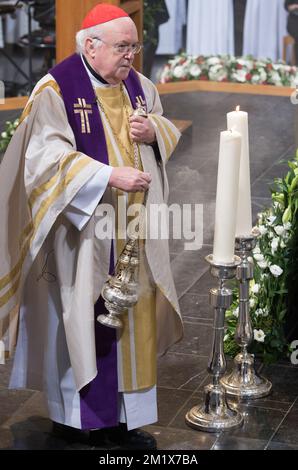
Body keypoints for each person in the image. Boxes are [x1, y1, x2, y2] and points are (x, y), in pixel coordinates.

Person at [0, 3, 183, 449]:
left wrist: (154, 132)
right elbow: (43, 161)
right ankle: (78, 420)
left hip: (133, 229)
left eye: (135, 46)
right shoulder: (57, 90)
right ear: (90, 45)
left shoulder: (141, 88)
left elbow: (164, 130)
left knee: (132, 321)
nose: (132, 57)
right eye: (123, 47)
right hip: (81, 234)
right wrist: (105, 175)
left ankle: (124, 418)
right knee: (81, 317)